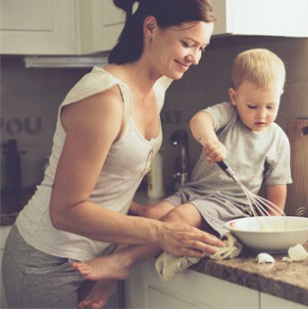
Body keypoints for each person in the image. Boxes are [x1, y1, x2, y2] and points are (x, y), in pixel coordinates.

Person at [1, 0, 226, 308]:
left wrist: (135, 209)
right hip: (47, 262)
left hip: (100, 254)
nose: (195, 57)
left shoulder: (159, 84)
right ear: (151, 27)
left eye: (202, 47)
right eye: (187, 43)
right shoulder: (105, 98)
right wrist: (160, 232)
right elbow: (65, 211)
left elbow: (109, 172)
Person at [71, 48, 292, 301]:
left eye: (270, 106)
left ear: (280, 97)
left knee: (178, 217)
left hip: (230, 204)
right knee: (152, 217)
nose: (262, 114)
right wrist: (210, 141)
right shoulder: (228, 115)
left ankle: (123, 260)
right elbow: (199, 121)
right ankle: (107, 284)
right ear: (234, 96)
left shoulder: (278, 139)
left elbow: (277, 190)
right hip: (195, 192)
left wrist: (274, 228)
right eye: (252, 106)